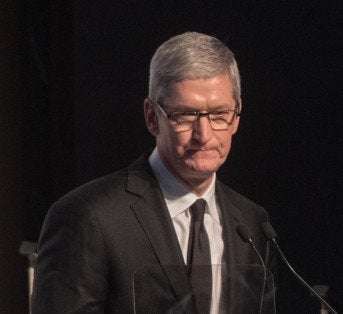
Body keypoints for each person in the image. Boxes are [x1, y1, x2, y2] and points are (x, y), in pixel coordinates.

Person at [31, 32, 275, 313]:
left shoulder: (252, 223)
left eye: (220, 114)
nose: (204, 135)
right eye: (185, 115)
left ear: (236, 116)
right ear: (151, 117)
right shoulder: (87, 216)